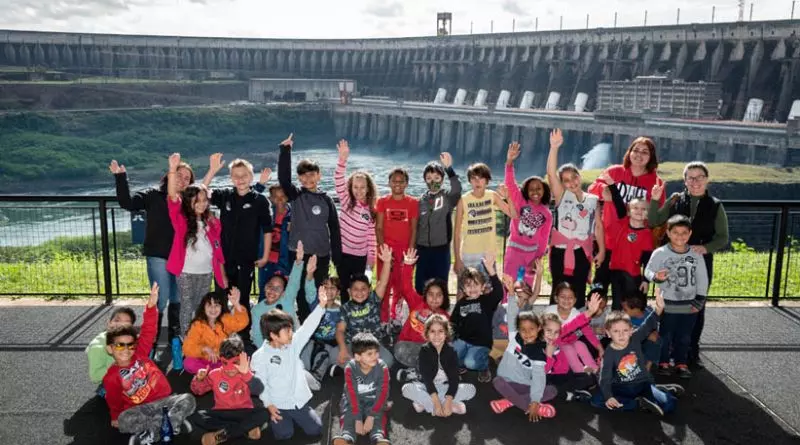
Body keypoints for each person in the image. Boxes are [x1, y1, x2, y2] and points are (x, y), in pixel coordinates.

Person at [648, 161, 729, 369]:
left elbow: (723, 237)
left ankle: (691, 352)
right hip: (672, 261)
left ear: (707, 179)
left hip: (699, 261)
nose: (695, 181)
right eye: (690, 177)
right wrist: (655, 200)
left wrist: (706, 248)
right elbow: (654, 220)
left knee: (696, 307)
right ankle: (666, 352)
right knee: (668, 305)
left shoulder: (715, 206)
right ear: (684, 180)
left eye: (699, 177)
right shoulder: (675, 200)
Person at [110, 158, 193, 352]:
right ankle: (151, 343)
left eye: (187, 178)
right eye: (179, 175)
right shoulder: (152, 195)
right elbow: (127, 203)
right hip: (158, 255)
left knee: (178, 299)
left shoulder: (189, 201)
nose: (182, 180)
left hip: (182, 259)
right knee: (160, 299)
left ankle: (175, 342)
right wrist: (120, 177)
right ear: (169, 175)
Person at [490, 276, 594, 421]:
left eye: (532, 329)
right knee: (497, 381)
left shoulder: (542, 352)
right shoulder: (514, 337)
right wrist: (511, 294)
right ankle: (531, 407)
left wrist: (535, 400)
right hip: (507, 381)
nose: (527, 334)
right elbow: (512, 315)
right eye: (523, 330)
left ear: (538, 328)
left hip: (525, 385)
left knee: (551, 390)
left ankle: (510, 402)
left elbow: (539, 377)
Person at [103, 283, 196, 445]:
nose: (126, 350)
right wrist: (115, 417)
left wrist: (151, 307)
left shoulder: (140, 353)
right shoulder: (111, 376)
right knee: (124, 420)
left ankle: (156, 430)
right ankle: (169, 423)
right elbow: (114, 400)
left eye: (130, 345)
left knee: (188, 399)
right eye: (119, 345)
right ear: (110, 349)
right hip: (141, 409)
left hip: (164, 401)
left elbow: (148, 331)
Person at [203, 153, 272, 346]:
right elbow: (201, 192)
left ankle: (243, 338)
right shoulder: (225, 196)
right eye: (236, 176)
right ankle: (219, 337)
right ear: (231, 178)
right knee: (220, 299)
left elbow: (267, 230)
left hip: (246, 260)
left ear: (251, 177)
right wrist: (212, 170)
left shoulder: (260, 201)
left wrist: (265, 256)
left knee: (242, 299)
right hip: (223, 261)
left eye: (244, 175)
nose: (240, 179)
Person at [250, 284, 332, 441]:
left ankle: (295, 417)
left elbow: (307, 328)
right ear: (273, 335)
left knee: (316, 429)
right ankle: (267, 416)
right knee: (284, 434)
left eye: (291, 329)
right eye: (287, 331)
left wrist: (321, 306)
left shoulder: (293, 343)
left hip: (297, 402)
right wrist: (269, 405)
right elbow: (261, 385)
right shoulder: (260, 356)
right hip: (277, 405)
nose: (291, 333)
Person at [588, 136, 664, 299]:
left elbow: (656, 215)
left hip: (633, 246)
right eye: (636, 150)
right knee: (598, 288)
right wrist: (603, 190)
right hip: (608, 240)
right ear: (629, 152)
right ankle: (594, 313)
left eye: (645, 152)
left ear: (651, 156)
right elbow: (592, 188)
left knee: (628, 295)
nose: (639, 155)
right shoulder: (614, 171)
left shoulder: (655, 182)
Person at [278, 133, 342, 322]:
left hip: (321, 254)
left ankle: (318, 324)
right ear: (299, 178)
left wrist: (337, 257)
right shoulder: (296, 195)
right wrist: (285, 151)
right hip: (298, 254)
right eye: (304, 175)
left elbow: (335, 229)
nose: (308, 178)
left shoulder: (327, 200)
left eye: (312, 174)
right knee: (300, 292)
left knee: (318, 291)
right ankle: (304, 323)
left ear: (319, 175)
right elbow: (283, 180)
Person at [590, 295, 684, 416]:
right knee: (596, 400)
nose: (621, 335)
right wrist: (608, 396)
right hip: (623, 388)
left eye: (625, 330)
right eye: (616, 331)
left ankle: (656, 392)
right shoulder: (609, 353)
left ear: (631, 330)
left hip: (642, 384)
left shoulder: (635, 338)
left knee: (670, 404)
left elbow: (647, 325)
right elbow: (605, 379)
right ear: (608, 333)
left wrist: (658, 310)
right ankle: (639, 402)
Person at [165, 153, 227, 336]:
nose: (201, 204)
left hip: (206, 271)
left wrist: (212, 171)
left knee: (202, 306)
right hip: (185, 271)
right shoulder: (181, 219)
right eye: (196, 201)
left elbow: (217, 251)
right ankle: (186, 339)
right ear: (188, 202)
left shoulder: (211, 222)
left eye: (204, 200)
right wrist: (172, 169)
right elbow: (172, 196)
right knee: (187, 305)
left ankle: (201, 336)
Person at [546, 129, 604, 309]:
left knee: (578, 288)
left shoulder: (593, 200)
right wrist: (554, 148)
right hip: (561, 251)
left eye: (574, 177)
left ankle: (576, 322)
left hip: (582, 252)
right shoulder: (562, 196)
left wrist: (601, 250)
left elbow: (598, 227)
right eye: (566, 180)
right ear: (562, 184)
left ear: (580, 176)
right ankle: (554, 321)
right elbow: (551, 174)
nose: (572, 182)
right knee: (558, 288)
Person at [645, 214, 709, 379]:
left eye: (684, 233)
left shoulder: (696, 254)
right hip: (667, 304)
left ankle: (681, 363)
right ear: (668, 232)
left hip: (690, 304)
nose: (680, 236)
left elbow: (702, 278)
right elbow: (648, 271)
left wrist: (700, 300)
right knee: (665, 334)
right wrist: (655, 277)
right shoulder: (660, 253)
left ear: (690, 233)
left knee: (685, 336)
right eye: (675, 232)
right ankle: (663, 362)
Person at [188, 335, 269, 445]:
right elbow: (198, 391)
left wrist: (246, 374)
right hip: (222, 413)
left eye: (235, 362)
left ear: (242, 359)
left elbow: (259, 389)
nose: (230, 369)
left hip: (244, 412)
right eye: (225, 363)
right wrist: (198, 379)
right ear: (221, 359)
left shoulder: (246, 372)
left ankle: (224, 435)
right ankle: (246, 429)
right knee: (197, 416)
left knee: (265, 413)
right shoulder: (214, 374)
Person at [595, 171, 654, 309]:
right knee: (617, 305)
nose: (639, 211)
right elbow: (618, 201)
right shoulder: (623, 222)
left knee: (633, 306)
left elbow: (648, 260)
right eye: (635, 208)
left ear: (647, 214)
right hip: (616, 270)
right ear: (628, 211)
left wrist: (646, 280)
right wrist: (611, 184)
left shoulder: (646, 234)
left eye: (643, 209)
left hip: (632, 274)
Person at [453, 163, 514, 295]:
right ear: (469, 181)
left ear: (487, 180)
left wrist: (508, 197)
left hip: (488, 254)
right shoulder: (463, 200)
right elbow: (456, 233)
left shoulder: (492, 196)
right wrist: (457, 259)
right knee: (464, 290)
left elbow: (512, 214)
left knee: (488, 291)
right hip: (469, 253)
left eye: (481, 178)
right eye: (473, 178)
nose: (477, 181)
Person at [503, 141, 553, 297]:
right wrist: (509, 162)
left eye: (539, 189)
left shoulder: (547, 214)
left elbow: (544, 239)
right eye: (531, 189)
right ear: (526, 190)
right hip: (514, 251)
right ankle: (505, 309)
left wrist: (537, 259)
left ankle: (522, 310)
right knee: (508, 284)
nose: (535, 192)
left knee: (525, 288)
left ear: (544, 191)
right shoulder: (520, 201)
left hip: (530, 255)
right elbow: (510, 184)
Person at [401, 314, 476, 416]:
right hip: (426, 387)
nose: (436, 335)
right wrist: (437, 404)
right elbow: (427, 380)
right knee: (406, 388)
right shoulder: (424, 351)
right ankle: (439, 408)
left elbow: (454, 379)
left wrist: (448, 400)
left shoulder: (451, 351)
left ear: (446, 333)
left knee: (471, 389)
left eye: (440, 331)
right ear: (427, 333)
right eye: (432, 331)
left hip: (445, 388)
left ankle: (426, 405)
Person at [335, 245, 396, 369]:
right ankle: (364, 367)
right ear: (349, 292)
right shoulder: (345, 308)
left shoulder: (373, 300)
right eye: (355, 289)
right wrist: (343, 349)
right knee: (333, 354)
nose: (360, 292)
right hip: (354, 347)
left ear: (369, 290)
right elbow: (340, 330)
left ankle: (359, 368)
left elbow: (383, 282)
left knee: (388, 361)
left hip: (373, 346)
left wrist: (387, 262)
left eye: (363, 289)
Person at [393, 248, 450, 372]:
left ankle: (417, 372)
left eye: (439, 295)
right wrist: (408, 265)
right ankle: (425, 370)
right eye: (431, 294)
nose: (434, 298)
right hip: (408, 345)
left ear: (444, 297)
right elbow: (406, 287)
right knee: (399, 349)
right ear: (425, 295)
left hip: (429, 349)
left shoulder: (445, 316)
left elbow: (445, 340)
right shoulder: (417, 302)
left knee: (445, 351)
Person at [250, 241, 317, 348]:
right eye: (270, 286)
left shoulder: (286, 300)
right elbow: (258, 337)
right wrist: (268, 352)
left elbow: (294, 282)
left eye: (277, 288)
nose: (272, 290)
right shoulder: (257, 310)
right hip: (270, 349)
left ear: (283, 293)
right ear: (265, 286)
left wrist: (299, 261)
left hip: (293, 346)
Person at [334, 139, 377, 304]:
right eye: (355, 187)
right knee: (344, 288)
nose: (359, 190)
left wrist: (370, 261)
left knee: (359, 289)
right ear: (350, 188)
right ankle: (345, 313)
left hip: (360, 256)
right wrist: (342, 160)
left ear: (368, 188)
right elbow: (339, 180)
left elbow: (371, 238)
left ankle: (360, 313)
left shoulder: (371, 211)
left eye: (362, 187)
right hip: (342, 254)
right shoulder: (346, 201)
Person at [450, 253, 503, 383]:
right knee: (451, 354)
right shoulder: (461, 303)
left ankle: (483, 366)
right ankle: (460, 364)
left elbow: (499, 293)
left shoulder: (486, 301)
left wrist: (491, 270)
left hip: (481, 343)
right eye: (468, 285)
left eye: (476, 284)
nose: (472, 288)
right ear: (463, 289)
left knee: (471, 362)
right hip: (464, 340)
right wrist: (450, 338)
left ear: (483, 287)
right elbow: (453, 322)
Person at [376, 167, 418, 324]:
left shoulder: (413, 203)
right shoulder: (382, 202)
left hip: (404, 251)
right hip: (386, 250)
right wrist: (383, 250)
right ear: (389, 183)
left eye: (401, 181)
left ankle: (396, 316)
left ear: (406, 183)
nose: (397, 184)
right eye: (394, 181)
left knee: (401, 285)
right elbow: (379, 228)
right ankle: (383, 318)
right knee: (384, 284)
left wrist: (410, 252)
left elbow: (414, 229)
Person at [332, 333, 391, 445]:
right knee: (348, 414)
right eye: (370, 354)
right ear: (358, 357)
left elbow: (383, 392)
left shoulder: (382, 366)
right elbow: (352, 394)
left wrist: (372, 416)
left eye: (376, 352)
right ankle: (347, 437)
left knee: (379, 415)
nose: (375, 356)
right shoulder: (350, 368)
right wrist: (358, 418)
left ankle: (377, 438)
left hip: (374, 399)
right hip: (354, 401)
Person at [415, 152, 461, 294]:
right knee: (420, 287)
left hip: (441, 251)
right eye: (429, 178)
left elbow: (457, 190)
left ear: (442, 179)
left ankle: (440, 309)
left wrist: (449, 169)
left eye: (436, 178)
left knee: (440, 287)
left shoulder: (447, 198)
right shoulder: (420, 201)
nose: (432, 181)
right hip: (422, 251)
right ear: (425, 180)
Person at [182, 289, 249, 374]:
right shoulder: (197, 324)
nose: (213, 309)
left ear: (221, 307)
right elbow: (187, 348)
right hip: (203, 361)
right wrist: (204, 349)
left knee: (240, 359)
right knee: (188, 363)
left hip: (222, 360)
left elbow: (242, 323)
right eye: (209, 305)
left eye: (216, 305)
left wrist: (237, 304)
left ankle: (211, 374)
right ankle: (215, 374)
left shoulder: (225, 319)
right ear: (203, 308)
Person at [544, 283, 602, 373]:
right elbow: (559, 332)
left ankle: (594, 369)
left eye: (570, 297)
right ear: (556, 298)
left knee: (580, 344)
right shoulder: (549, 311)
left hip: (570, 342)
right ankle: (580, 373)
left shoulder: (576, 314)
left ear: (575, 300)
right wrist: (589, 313)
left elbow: (588, 332)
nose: (566, 300)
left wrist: (600, 349)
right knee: (569, 349)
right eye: (563, 296)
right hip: (554, 344)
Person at [254, 169, 293, 303]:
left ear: (288, 197)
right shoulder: (266, 214)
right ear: (270, 199)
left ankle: (281, 316)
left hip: (284, 261)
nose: (279, 199)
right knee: (264, 291)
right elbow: (252, 199)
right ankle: (261, 315)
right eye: (275, 197)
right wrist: (260, 185)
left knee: (283, 294)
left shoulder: (293, 216)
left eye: (283, 196)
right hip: (266, 259)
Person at [86, 307, 136, 396]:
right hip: (112, 380)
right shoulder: (97, 347)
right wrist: (119, 366)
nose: (120, 325)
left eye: (126, 322)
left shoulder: (129, 338)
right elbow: (95, 376)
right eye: (117, 320)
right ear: (109, 323)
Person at [302, 276, 343, 383]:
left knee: (324, 355)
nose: (328, 290)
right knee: (305, 349)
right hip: (313, 340)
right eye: (326, 287)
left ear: (338, 292)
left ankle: (316, 377)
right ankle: (302, 372)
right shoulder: (316, 305)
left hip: (329, 343)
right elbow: (310, 292)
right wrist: (310, 275)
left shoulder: (341, 311)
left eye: (332, 288)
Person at [621, 292, 661, 370]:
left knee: (655, 341)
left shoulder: (650, 313)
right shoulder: (625, 318)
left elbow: (655, 330)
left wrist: (652, 334)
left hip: (645, 342)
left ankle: (648, 366)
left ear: (636, 309)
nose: (623, 311)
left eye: (625, 309)